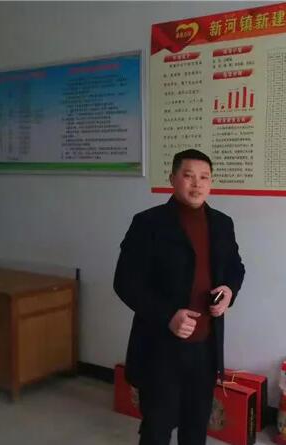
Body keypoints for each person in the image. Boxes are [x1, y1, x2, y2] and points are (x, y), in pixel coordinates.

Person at [114, 149, 245, 445]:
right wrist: (167, 316)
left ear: (211, 183)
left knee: (196, 427)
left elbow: (235, 267)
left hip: (205, 347)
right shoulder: (148, 223)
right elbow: (125, 282)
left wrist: (229, 291)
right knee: (157, 428)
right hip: (161, 348)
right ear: (173, 179)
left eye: (204, 177)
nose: (197, 184)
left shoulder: (222, 224)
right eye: (188, 176)